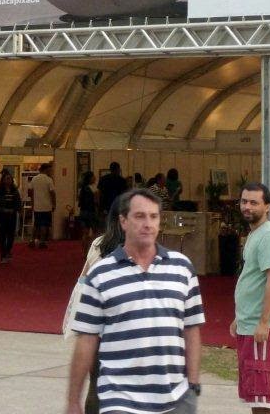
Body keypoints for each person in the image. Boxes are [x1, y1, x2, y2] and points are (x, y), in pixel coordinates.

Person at [66, 188, 205, 414]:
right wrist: (74, 400)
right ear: (123, 221)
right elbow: (86, 341)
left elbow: (192, 330)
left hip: (175, 399)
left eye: (153, 216)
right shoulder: (101, 275)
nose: (147, 224)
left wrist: (193, 386)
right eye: (139, 216)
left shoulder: (182, 268)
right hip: (121, 399)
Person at [229, 183, 270, 414]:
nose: (247, 207)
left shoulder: (269, 236)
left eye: (254, 202)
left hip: (260, 329)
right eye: (244, 201)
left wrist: (264, 322)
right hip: (249, 324)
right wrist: (239, 317)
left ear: (267, 207)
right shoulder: (256, 234)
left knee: (263, 398)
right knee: (256, 395)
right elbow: (252, 279)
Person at [62, 209, 126, 414]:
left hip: (95, 324)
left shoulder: (98, 243)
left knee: (96, 382)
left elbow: (83, 279)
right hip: (122, 326)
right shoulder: (136, 249)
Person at [0, 171, 21, 264]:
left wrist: (15, 209)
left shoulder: (15, 192)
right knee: (3, 236)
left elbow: (18, 203)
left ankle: (8, 250)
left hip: (12, 216)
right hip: (2, 216)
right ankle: (3, 254)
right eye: (6, 179)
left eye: (10, 179)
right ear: (3, 180)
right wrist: (2, 209)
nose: (8, 180)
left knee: (11, 235)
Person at [29, 163, 56, 249]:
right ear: (46, 169)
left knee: (36, 224)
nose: (51, 171)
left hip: (37, 206)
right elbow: (52, 193)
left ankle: (32, 240)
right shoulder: (49, 180)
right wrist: (54, 204)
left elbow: (30, 192)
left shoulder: (34, 179)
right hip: (46, 206)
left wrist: (32, 203)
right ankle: (42, 241)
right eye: (50, 169)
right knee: (44, 224)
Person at [76, 172, 99, 252]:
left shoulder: (81, 189)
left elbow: (79, 200)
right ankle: (92, 251)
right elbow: (96, 201)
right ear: (90, 178)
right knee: (95, 233)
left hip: (83, 212)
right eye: (93, 177)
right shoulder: (94, 188)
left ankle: (85, 252)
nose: (95, 178)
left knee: (85, 234)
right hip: (91, 212)